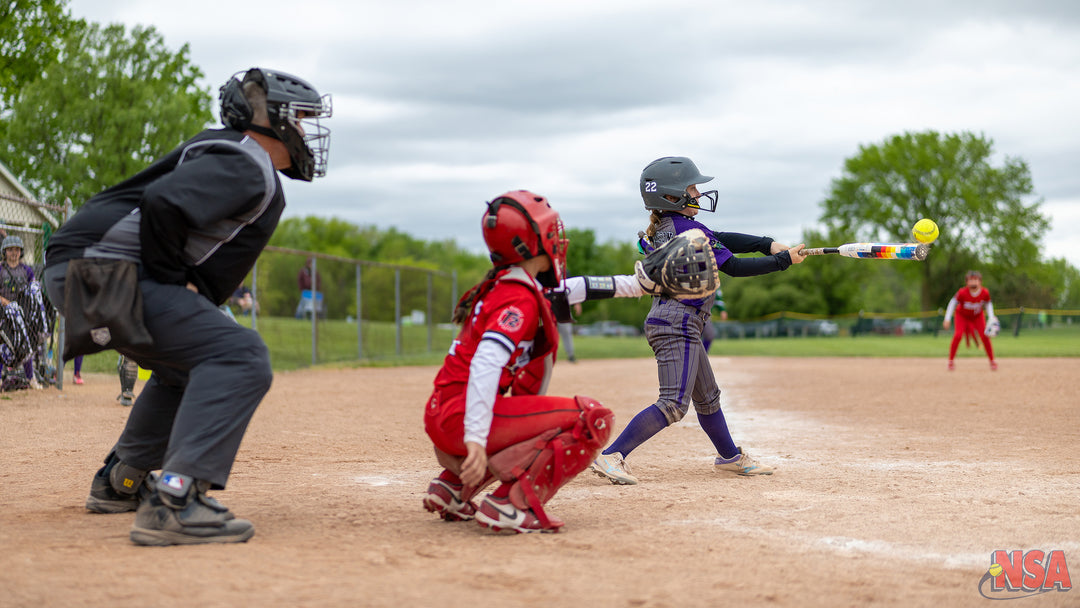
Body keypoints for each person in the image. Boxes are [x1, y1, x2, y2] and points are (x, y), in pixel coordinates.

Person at [42, 67, 332, 545]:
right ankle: (175, 501)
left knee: (188, 364)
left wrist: (178, 284)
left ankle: (123, 480)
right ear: (272, 119)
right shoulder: (247, 161)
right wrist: (172, 281)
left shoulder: (231, 155)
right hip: (104, 273)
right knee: (240, 356)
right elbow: (164, 202)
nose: (305, 131)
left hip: (87, 271)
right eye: (300, 118)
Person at [590, 156, 807, 485]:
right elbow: (732, 265)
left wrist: (766, 244)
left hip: (678, 320)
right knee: (674, 403)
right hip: (678, 321)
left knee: (707, 397)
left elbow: (721, 237)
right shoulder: (687, 229)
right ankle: (612, 455)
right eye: (692, 188)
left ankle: (730, 457)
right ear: (672, 196)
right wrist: (781, 261)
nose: (698, 194)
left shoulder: (672, 227)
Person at [422, 190, 614, 534]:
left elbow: (578, 288)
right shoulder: (519, 298)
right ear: (531, 244)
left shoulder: (504, 285)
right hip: (462, 419)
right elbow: (485, 363)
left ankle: (454, 487)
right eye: (550, 232)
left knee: (523, 413)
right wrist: (475, 440)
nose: (557, 239)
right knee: (592, 419)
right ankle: (510, 504)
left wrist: (643, 284)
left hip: (445, 412)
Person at [0, 235, 42, 389]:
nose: (14, 253)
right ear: (4, 252)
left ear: (21, 252)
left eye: (17, 250)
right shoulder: (1, 269)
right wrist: (7, 303)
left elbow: (33, 290)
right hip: (4, 313)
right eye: (10, 250)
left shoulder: (26, 270)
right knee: (3, 344)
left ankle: (31, 379)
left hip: (22, 314)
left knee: (26, 347)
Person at [943, 270, 997, 371]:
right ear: (967, 282)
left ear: (980, 281)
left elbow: (988, 304)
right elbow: (952, 303)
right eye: (971, 280)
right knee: (958, 335)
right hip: (962, 315)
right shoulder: (962, 292)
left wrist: (991, 317)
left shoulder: (984, 292)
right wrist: (947, 318)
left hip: (977, 316)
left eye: (976, 280)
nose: (973, 282)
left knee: (985, 336)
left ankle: (992, 361)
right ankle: (950, 361)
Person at [701, 287, 728, 353]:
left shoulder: (714, 281)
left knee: (709, 335)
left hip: (705, 314)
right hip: (691, 312)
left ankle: (702, 355)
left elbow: (717, 297)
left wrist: (722, 310)